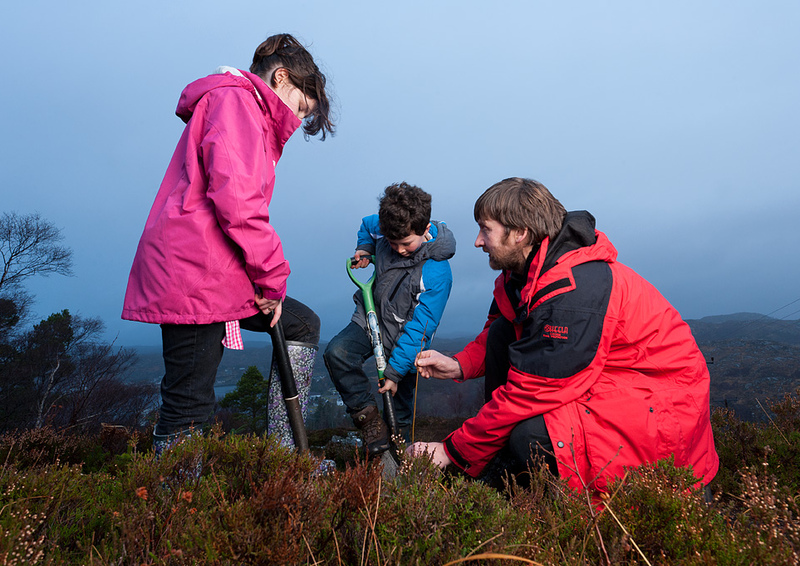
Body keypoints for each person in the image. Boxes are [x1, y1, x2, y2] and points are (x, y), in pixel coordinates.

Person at [410, 177, 718, 495]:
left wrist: (450, 451)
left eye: (485, 229)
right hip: (611, 380)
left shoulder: (572, 293)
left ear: (520, 234)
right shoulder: (525, 275)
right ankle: (505, 462)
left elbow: (529, 392)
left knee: (530, 436)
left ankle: (558, 512)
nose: (477, 241)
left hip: (661, 406)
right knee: (504, 331)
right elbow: (500, 333)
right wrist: (460, 365)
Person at [122, 34, 334, 453]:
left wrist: (264, 281)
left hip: (218, 272)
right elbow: (239, 205)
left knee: (300, 323)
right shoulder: (236, 103)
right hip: (195, 275)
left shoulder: (243, 108)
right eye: (301, 105)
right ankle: (171, 506)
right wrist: (273, 280)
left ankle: (284, 452)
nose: (296, 119)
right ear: (281, 77)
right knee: (189, 406)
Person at [324, 183, 456, 455]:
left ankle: (398, 466)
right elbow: (367, 225)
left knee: (399, 415)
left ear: (424, 228)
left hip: (405, 344)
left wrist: (394, 372)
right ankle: (369, 420)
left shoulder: (437, 272)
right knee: (337, 353)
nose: (397, 249)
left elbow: (421, 327)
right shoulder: (384, 226)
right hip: (370, 320)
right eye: (391, 242)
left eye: (406, 243)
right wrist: (364, 248)